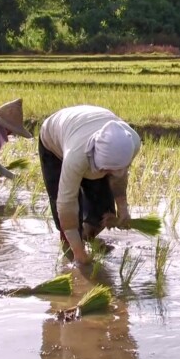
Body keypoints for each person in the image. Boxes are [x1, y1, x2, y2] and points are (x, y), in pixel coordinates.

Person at [39, 105, 142, 265]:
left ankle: (87, 237)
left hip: (88, 127)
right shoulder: (76, 157)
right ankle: (72, 249)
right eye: (106, 170)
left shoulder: (131, 143)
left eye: (114, 171)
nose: (110, 174)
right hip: (54, 142)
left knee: (103, 213)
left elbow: (119, 178)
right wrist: (80, 257)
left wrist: (123, 209)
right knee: (68, 220)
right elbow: (66, 205)